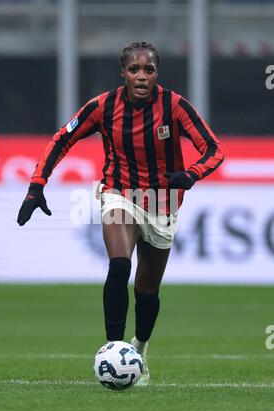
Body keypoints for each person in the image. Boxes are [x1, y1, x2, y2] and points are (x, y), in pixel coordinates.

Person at [17, 41, 224, 386]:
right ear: (123, 73)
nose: (142, 76)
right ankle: (113, 347)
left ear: (157, 73)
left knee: (146, 292)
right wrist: (37, 185)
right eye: (134, 70)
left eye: (149, 70)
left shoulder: (174, 106)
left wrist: (191, 174)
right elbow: (61, 139)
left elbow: (214, 150)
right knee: (119, 266)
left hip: (162, 205)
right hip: (120, 194)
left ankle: (138, 349)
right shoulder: (103, 106)